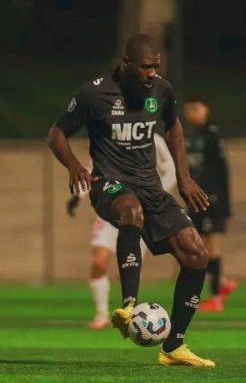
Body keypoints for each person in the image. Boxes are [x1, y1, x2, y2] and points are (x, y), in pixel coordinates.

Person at [48, 34, 214, 367]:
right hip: (108, 184)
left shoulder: (162, 90)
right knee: (131, 211)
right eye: (146, 67)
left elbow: (174, 128)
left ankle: (174, 346)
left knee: (197, 255)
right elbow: (57, 134)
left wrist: (183, 177)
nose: (152, 73)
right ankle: (128, 306)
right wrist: (75, 166)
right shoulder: (94, 92)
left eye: (156, 67)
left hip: (150, 187)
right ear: (127, 63)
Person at [66, 133, 177, 329]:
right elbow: (94, 169)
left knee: (128, 267)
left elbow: (171, 169)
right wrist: (79, 195)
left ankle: (129, 313)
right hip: (110, 207)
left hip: (139, 212)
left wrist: (155, 194)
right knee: (99, 261)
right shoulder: (107, 133)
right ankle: (101, 313)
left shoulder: (152, 137)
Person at [183, 98, 235, 312]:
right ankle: (222, 281)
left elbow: (222, 170)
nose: (193, 112)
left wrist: (223, 202)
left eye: (197, 108)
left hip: (210, 198)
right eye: (190, 109)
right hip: (195, 199)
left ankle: (216, 295)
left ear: (206, 110)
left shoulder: (212, 135)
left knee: (211, 246)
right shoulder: (188, 136)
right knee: (200, 245)